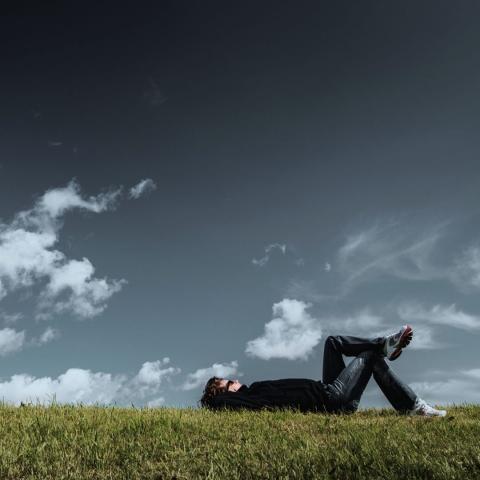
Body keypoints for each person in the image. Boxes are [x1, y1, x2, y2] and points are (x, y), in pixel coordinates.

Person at [200, 325, 447, 417]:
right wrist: (218, 393)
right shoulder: (238, 402)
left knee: (332, 342)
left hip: (325, 388)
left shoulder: (253, 390)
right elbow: (218, 404)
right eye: (227, 383)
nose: (233, 379)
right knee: (370, 357)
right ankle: (415, 407)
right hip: (330, 400)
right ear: (225, 394)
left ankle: (384, 344)